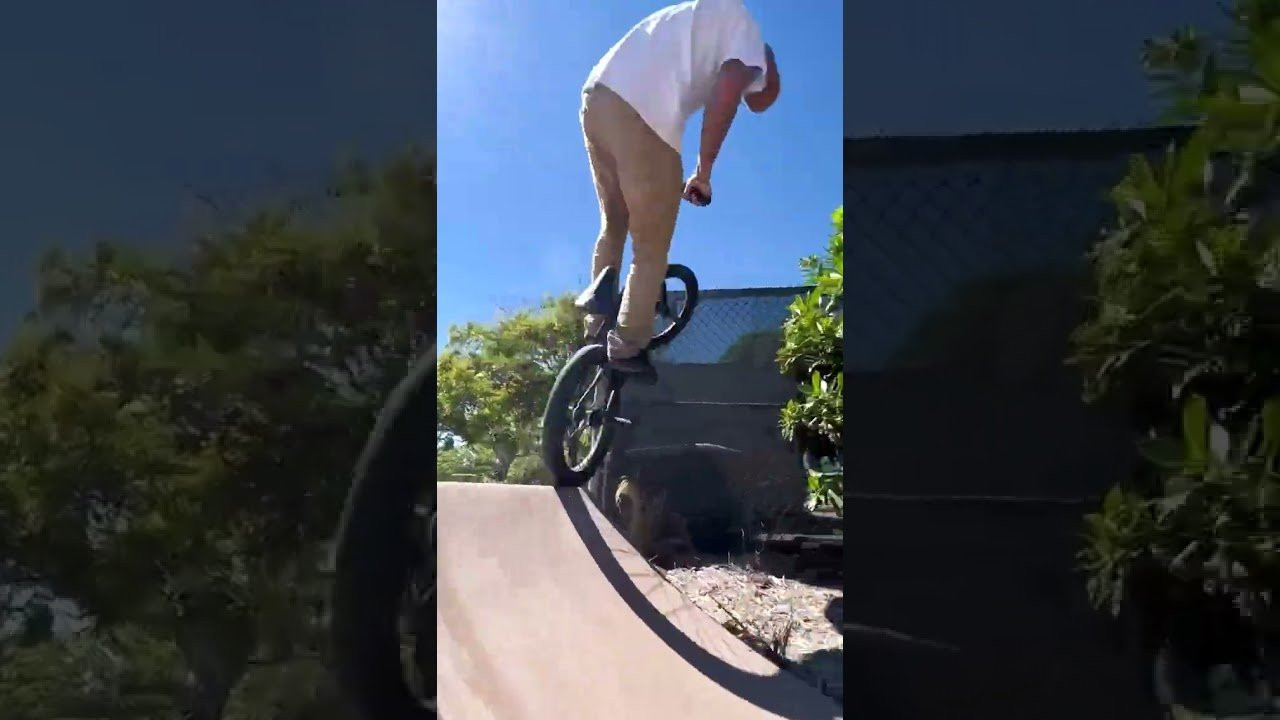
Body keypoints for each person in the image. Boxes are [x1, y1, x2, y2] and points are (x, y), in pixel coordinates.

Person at [579, 0, 781, 379]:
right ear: (765, 67)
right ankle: (625, 345)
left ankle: (595, 329)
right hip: (643, 113)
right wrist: (703, 173)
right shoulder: (750, 38)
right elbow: (727, 94)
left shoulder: (701, 15)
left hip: (596, 97)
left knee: (615, 221)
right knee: (651, 244)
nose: (750, 96)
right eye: (757, 90)